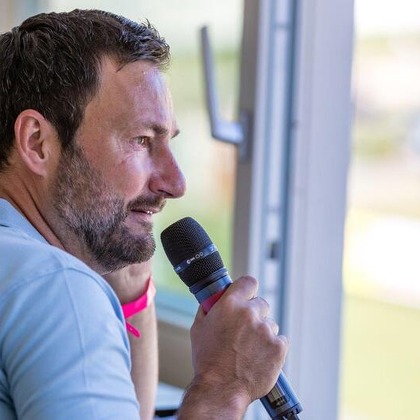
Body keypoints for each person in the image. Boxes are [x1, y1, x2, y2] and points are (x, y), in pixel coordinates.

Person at [0, 9, 289, 419]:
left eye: (170, 142)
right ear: (37, 143)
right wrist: (224, 387)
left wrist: (132, 294)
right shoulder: (57, 287)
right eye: (140, 140)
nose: (176, 183)